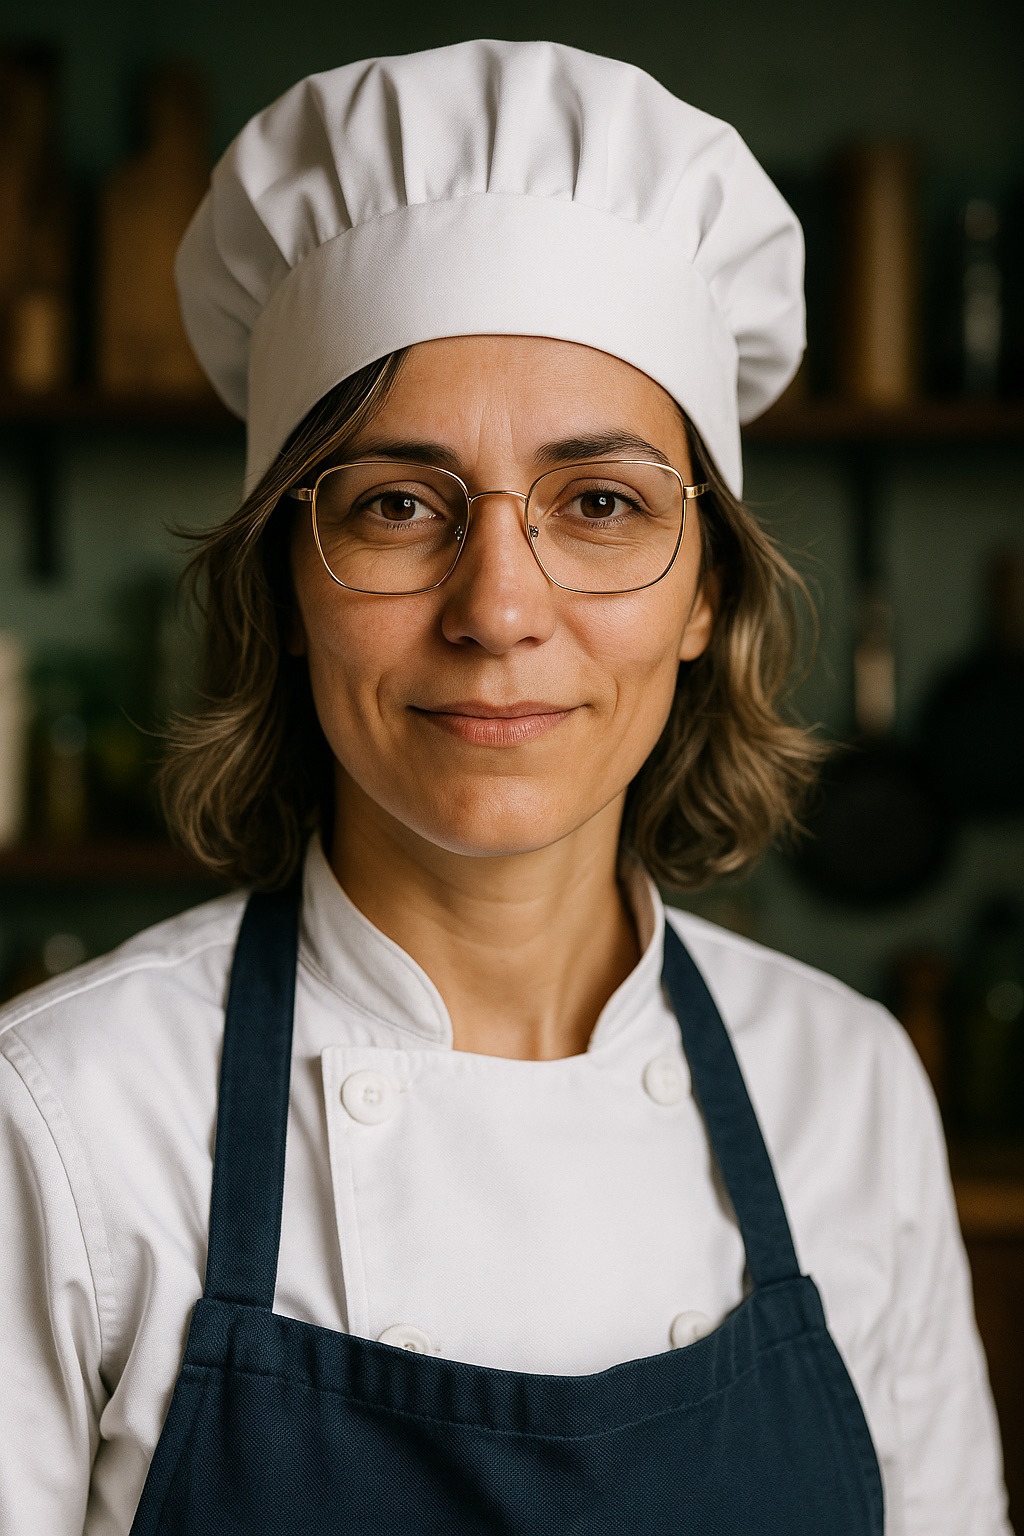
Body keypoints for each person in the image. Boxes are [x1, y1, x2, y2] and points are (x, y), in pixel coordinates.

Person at [0, 39, 1011, 1536]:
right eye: (397, 505)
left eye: (600, 502)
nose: (499, 608)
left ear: (705, 597)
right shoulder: (63, 1116)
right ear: (287, 589)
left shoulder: (849, 1090)